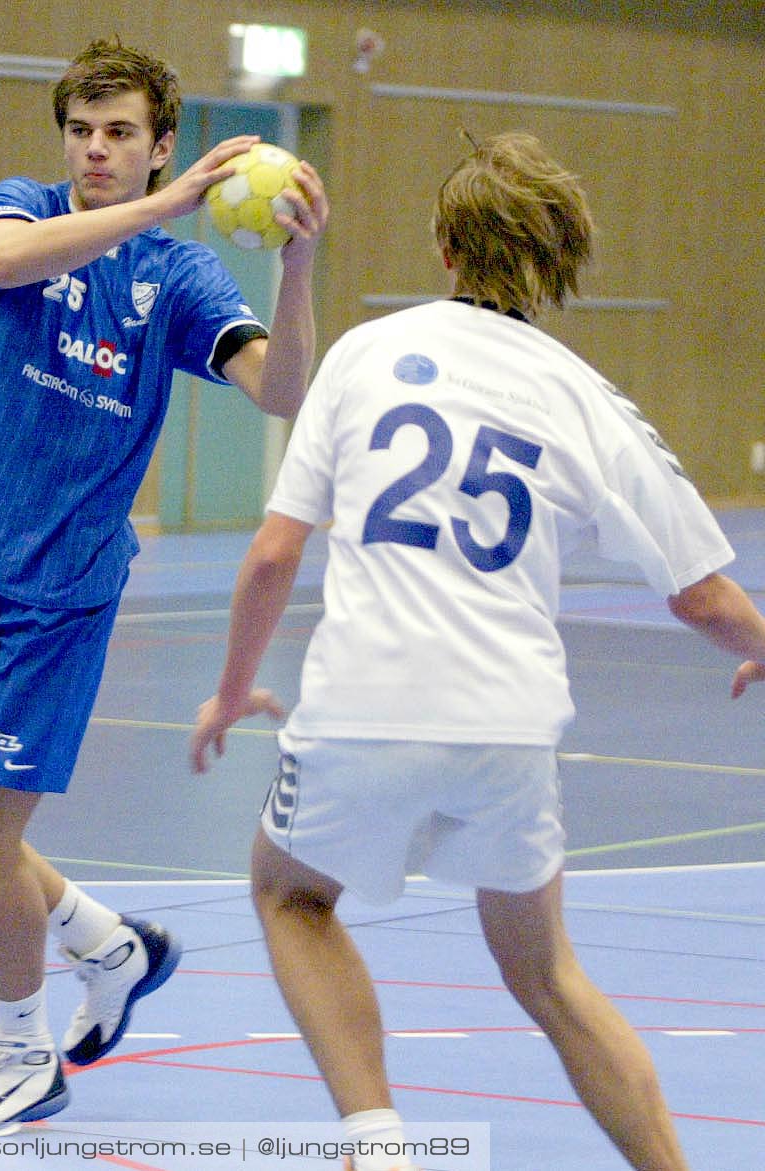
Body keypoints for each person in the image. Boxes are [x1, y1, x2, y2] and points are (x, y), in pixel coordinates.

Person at [190, 130, 765, 1171]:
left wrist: (231, 690)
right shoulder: (587, 399)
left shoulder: (364, 354)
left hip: (364, 704)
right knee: (549, 979)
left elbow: (274, 552)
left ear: (446, 251)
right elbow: (702, 593)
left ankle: (380, 1147)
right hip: (510, 723)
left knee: (290, 893)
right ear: (558, 268)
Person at [0, 38, 327, 1136]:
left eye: (121, 133)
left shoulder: (177, 279)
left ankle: (22, 1055)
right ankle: (105, 943)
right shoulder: (22, 210)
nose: (97, 150)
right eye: (83, 130)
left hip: (57, 599)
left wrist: (299, 267)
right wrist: (167, 202)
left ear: (161, 142)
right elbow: (9, 259)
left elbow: (283, 394)